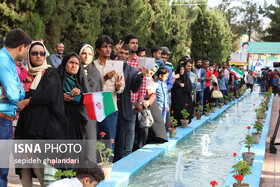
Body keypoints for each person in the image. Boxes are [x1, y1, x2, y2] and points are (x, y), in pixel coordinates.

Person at [15, 41, 68, 186]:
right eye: (34, 53)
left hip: (44, 127)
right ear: (28, 55)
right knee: (23, 163)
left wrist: (27, 102)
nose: (38, 56)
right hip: (26, 125)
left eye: (42, 53)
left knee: (42, 167)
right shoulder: (23, 73)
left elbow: (48, 95)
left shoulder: (51, 72)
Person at [0, 28, 32, 187]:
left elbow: (18, 89)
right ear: (22, 46)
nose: (26, 53)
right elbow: (15, 95)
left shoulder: (8, 61)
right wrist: (17, 91)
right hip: (1, 120)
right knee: (1, 170)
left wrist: (16, 90)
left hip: (4, 120)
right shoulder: (3, 61)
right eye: (28, 49)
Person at [114, 44, 147, 162]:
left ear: (129, 56)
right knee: (108, 135)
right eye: (121, 53)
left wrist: (141, 76)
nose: (123, 56)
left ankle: (117, 162)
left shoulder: (133, 71)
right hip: (110, 105)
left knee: (121, 137)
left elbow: (134, 88)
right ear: (117, 53)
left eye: (126, 54)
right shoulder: (110, 66)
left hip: (124, 107)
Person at [94, 35, 125, 145]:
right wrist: (105, 78)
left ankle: (108, 162)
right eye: (105, 47)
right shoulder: (93, 66)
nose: (108, 49)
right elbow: (90, 85)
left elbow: (121, 86)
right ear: (98, 49)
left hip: (110, 104)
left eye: (109, 47)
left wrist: (118, 87)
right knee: (94, 139)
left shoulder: (115, 65)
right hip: (95, 105)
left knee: (109, 140)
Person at [123, 34, 147, 156]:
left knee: (130, 128)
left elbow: (143, 82)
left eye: (137, 43)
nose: (135, 45)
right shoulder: (121, 58)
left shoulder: (141, 61)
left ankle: (127, 152)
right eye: (133, 43)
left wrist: (140, 101)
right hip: (120, 99)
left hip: (133, 100)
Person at [79, 43, 102, 162]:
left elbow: (96, 91)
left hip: (89, 114)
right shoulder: (74, 68)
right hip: (73, 113)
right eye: (83, 53)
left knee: (89, 144)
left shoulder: (94, 72)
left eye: (89, 54)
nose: (86, 56)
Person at [58, 53, 89, 139]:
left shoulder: (80, 79)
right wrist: (61, 96)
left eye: (77, 64)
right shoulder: (57, 76)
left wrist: (80, 92)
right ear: (65, 63)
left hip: (76, 119)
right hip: (59, 116)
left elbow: (87, 97)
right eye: (71, 62)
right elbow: (49, 95)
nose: (74, 66)